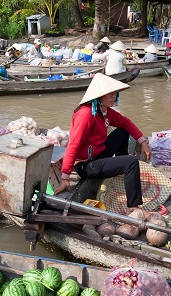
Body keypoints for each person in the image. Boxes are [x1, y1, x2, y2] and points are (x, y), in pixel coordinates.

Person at [54, 74, 152, 209]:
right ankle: (133, 208)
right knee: (131, 162)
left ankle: (121, 168)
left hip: (98, 154)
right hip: (86, 165)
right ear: (98, 96)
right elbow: (73, 146)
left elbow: (125, 122)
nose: (114, 97)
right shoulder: (86, 115)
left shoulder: (104, 111)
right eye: (109, 94)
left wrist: (143, 142)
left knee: (122, 131)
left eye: (114, 93)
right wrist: (65, 178)